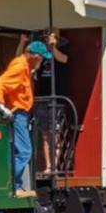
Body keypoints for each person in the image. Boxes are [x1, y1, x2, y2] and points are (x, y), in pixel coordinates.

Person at [0, 40, 52, 196]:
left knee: (20, 151)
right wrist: (1, 105)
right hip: (18, 114)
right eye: (41, 58)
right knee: (25, 151)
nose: (42, 61)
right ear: (35, 56)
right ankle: (11, 185)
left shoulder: (25, 67)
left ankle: (16, 185)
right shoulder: (19, 67)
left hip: (21, 115)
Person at [34, 32, 69, 174]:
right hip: (43, 98)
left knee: (55, 133)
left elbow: (63, 59)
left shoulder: (62, 52)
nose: (48, 40)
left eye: (51, 37)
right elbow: (34, 68)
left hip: (57, 100)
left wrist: (52, 47)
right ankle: (48, 166)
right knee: (45, 135)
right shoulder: (42, 55)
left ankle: (55, 165)